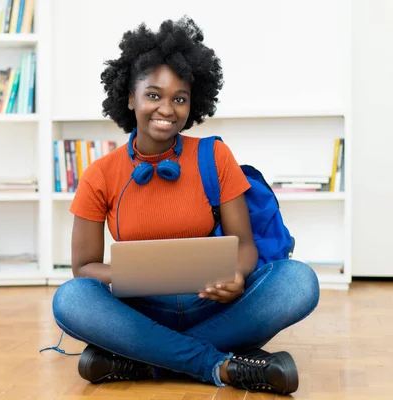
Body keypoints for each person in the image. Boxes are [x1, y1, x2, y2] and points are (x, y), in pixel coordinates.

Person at [51, 16, 320, 395]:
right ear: (130, 98)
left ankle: (144, 360)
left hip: (214, 306)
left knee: (298, 281)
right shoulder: (100, 174)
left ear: (192, 104)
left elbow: (245, 244)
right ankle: (220, 365)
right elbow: (83, 268)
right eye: (153, 95)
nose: (167, 109)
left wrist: (238, 277)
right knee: (70, 299)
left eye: (180, 98)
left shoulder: (215, 156)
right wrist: (130, 275)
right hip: (140, 311)